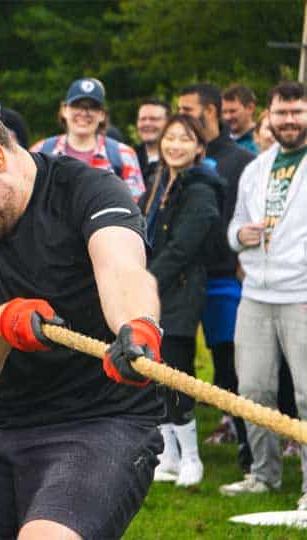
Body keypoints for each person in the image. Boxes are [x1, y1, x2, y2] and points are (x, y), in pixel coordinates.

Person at [0, 95, 164, 540]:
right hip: (4, 428)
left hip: (104, 426)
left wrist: (137, 325)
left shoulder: (88, 189)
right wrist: (1, 324)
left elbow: (122, 268)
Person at [221, 81, 307, 510]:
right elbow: (235, 225)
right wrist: (240, 234)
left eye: (297, 111)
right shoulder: (256, 168)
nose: (289, 120)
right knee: (252, 389)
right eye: (282, 112)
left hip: (302, 295)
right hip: (255, 293)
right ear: (268, 117)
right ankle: (264, 474)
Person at [140, 115, 222, 487]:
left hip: (179, 290)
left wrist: (144, 280)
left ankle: (192, 458)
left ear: (199, 148)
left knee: (177, 372)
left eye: (184, 139)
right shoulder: (158, 181)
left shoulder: (202, 188)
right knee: (154, 373)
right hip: (151, 287)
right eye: (170, 138)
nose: (175, 145)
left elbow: (183, 247)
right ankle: (168, 455)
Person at [177, 83, 255, 460]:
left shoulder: (240, 160)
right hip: (184, 278)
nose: (181, 117)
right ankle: (181, 448)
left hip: (224, 277)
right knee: (179, 361)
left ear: (210, 112)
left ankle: (248, 447)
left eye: (188, 110)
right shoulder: (182, 158)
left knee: (230, 364)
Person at [31, 78, 145, 201]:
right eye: (77, 106)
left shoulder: (123, 155)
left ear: (102, 114)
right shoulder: (41, 151)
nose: (84, 113)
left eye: (92, 107)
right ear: (64, 110)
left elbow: (135, 206)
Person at [134, 98, 171, 183]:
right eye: (142, 119)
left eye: (154, 119)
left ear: (169, 122)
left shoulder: (177, 159)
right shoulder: (127, 158)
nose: (147, 123)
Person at [222, 84, 259, 154]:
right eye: (224, 112)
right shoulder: (219, 140)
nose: (227, 117)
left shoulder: (264, 140)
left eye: (232, 111)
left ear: (250, 108)